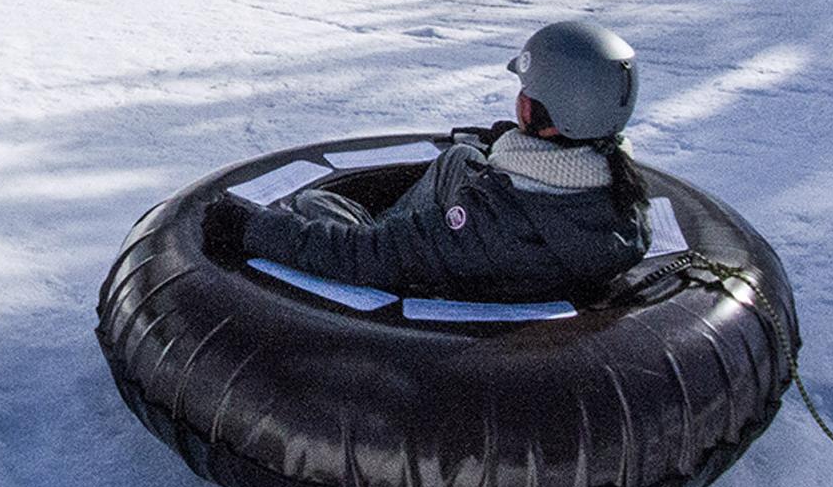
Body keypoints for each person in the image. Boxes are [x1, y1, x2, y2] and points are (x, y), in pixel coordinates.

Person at [203, 20, 651, 302]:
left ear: (536, 111)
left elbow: (363, 255)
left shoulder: (485, 221)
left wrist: (250, 228)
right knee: (460, 158)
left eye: (526, 94)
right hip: (519, 256)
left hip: (437, 272)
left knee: (313, 206)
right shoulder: (621, 194)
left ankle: (363, 219)